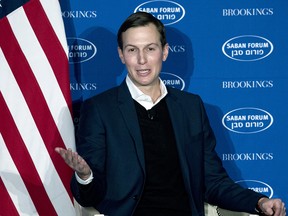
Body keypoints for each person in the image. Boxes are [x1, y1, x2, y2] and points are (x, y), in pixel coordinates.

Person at [55, 12, 286, 216]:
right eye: (132, 50)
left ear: (164, 52)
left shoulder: (190, 107)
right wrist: (86, 175)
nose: (142, 60)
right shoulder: (100, 109)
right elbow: (88, 197)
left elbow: (213, 181)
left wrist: (259, 201)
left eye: (150, 48)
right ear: (121, 55)